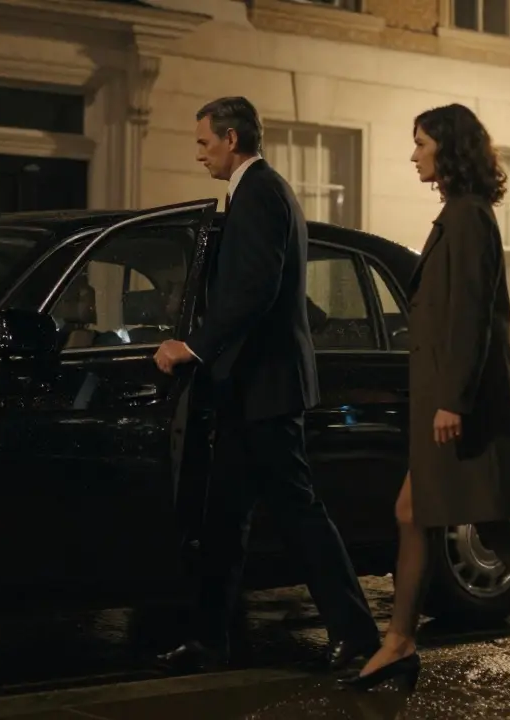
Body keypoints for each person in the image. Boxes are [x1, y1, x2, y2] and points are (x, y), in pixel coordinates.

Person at [341, 104, 510, 691]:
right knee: (428, 515)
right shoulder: (458, 215)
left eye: (421, 143)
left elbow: (475, 318)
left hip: (462, 407)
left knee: (479, 521)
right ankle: (408, 639)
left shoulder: (470, 218)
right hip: (448, 401)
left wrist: (452, 399)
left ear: (448, 150)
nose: (414, 155)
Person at [153, 96, 381, 673]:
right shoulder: (257, 193)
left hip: (266, 388)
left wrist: (194, 346)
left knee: (298, 514)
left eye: (205, 142)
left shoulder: (260, 193)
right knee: (223, 521)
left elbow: (252, 290)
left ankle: (358, 635)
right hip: (249, 389)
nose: (199, 152)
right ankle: (209, 640)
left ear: (232, 140)